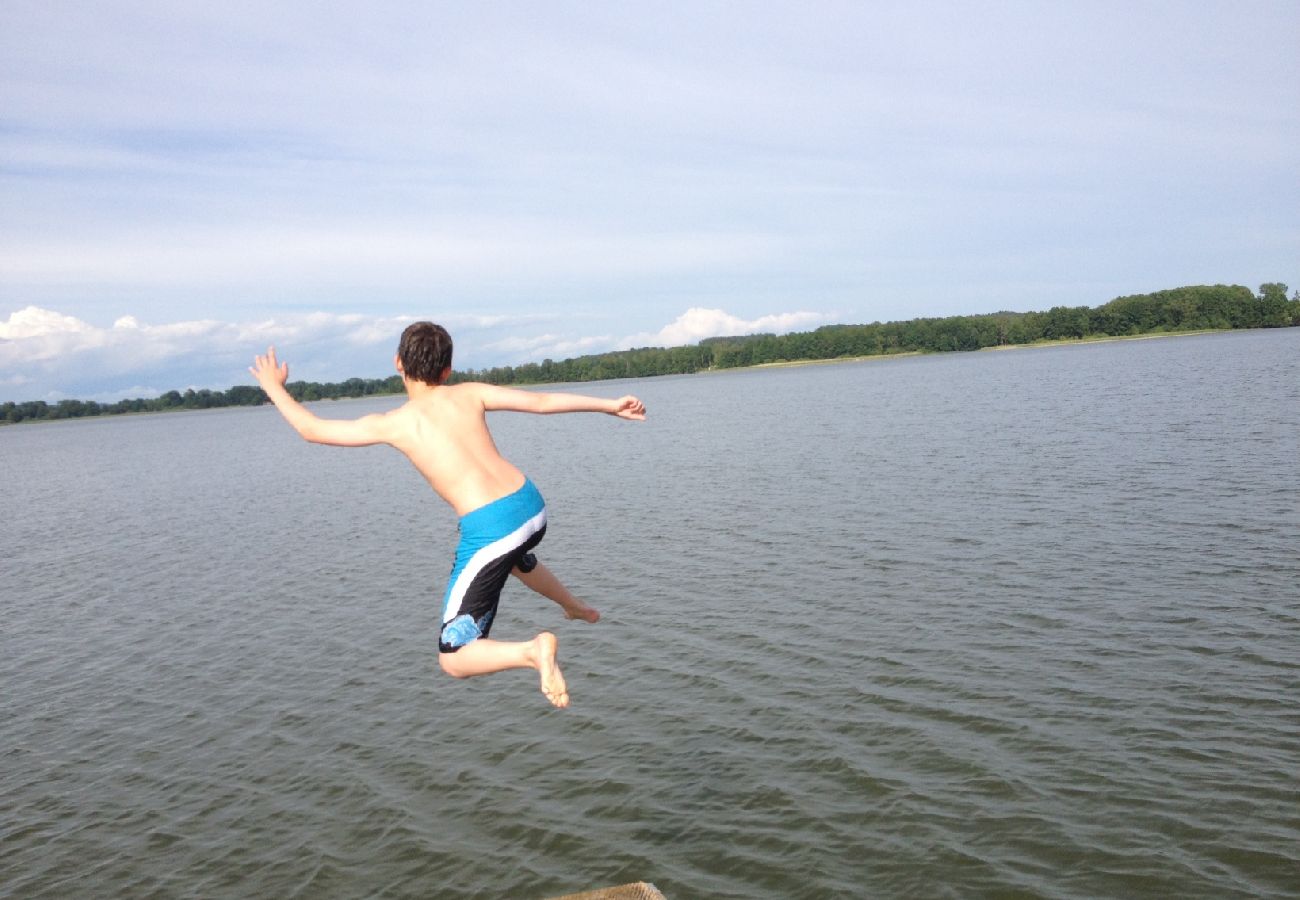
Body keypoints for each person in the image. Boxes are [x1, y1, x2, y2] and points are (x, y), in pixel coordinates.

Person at [249, 322, 646, 707]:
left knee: (453, 657)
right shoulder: (469, 393)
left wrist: (272, 388)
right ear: (447, 370)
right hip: (531, 506)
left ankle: (533, 651)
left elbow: (312, 429)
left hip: (493, 528)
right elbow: (541, 402)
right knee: (509, 559)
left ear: (397, 363)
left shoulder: (394, 424)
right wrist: (609, 406)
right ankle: (573, 606)